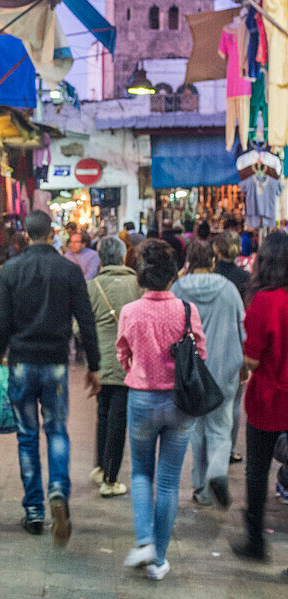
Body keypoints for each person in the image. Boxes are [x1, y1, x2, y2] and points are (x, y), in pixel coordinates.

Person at [0, 210, 100, 542]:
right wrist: (94, 365)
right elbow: (86, 320)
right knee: (56, 430)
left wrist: (0, 352)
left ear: (26, 233)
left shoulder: (10, 270)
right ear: (52, 232)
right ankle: (57, 490)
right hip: (55, 363)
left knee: (27, 436)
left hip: (22, 362)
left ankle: (35, 512)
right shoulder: (68, 270)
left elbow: (0, 321)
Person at [117, 239, 207, 580]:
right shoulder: (186, 310)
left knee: (141, 473)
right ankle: (159, 561)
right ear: (173, 275)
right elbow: (200, 352)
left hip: (141, 399)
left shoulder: (131, 311)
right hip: (179, 403)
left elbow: (122, 353)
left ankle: (144, 542)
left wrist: (134, 368)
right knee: (169, 482)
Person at [172, 240, 245, 508]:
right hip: (225, 366)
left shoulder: (178, 288)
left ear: (188, 261)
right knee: (221, 425)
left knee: (198, 429)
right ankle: (217, 472)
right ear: (213, 260)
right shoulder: (228, 290)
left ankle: (202, 490)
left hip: (193, 370)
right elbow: (242, 328)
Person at [231, 231, 288, 562]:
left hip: (268, 399)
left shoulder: (264, 302)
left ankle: (255, 540)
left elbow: (251, 360)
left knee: (257, 470)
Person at [85, 236, 141, 497]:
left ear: (100, 258)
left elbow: (79, 327)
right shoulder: (138, 285)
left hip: (100, 362)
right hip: (128, 363)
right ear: (122, 256)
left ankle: (100, 467)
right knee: (119, 418)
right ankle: (110, 479)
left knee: (104, 414)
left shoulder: (92, 286)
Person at [212, 230, 251, 461]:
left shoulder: (209, 277)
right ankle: (228, 449)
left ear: (216, 250)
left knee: (213, 403)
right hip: (236, 343)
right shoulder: (246, 279)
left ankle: (212, 448)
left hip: (211, 342)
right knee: (234, 403)